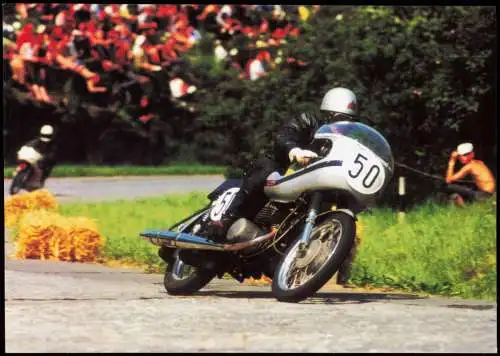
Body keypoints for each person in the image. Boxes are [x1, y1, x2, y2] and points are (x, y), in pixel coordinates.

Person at [208, 87, 359, 237]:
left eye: (348, 121)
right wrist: (295, 151)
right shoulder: (307, 120)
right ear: (328, 113)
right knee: (266, 169)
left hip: (314, 181)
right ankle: (229, 216)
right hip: (283, 168)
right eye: (339, 119)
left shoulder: (344, 141)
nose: (343, 125)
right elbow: (284, 136)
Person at [15, 124, 58, 189]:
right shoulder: (35, 142)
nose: (46, 137)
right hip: (31, 158)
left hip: (42, 161)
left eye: (48, 135)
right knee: (22, 164)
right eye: (45, 135)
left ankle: (38, 181)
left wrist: (47, 158)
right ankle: (22, 176)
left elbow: (52, 155)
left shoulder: (52, 145)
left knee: (47, 167)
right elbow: (27, 146)